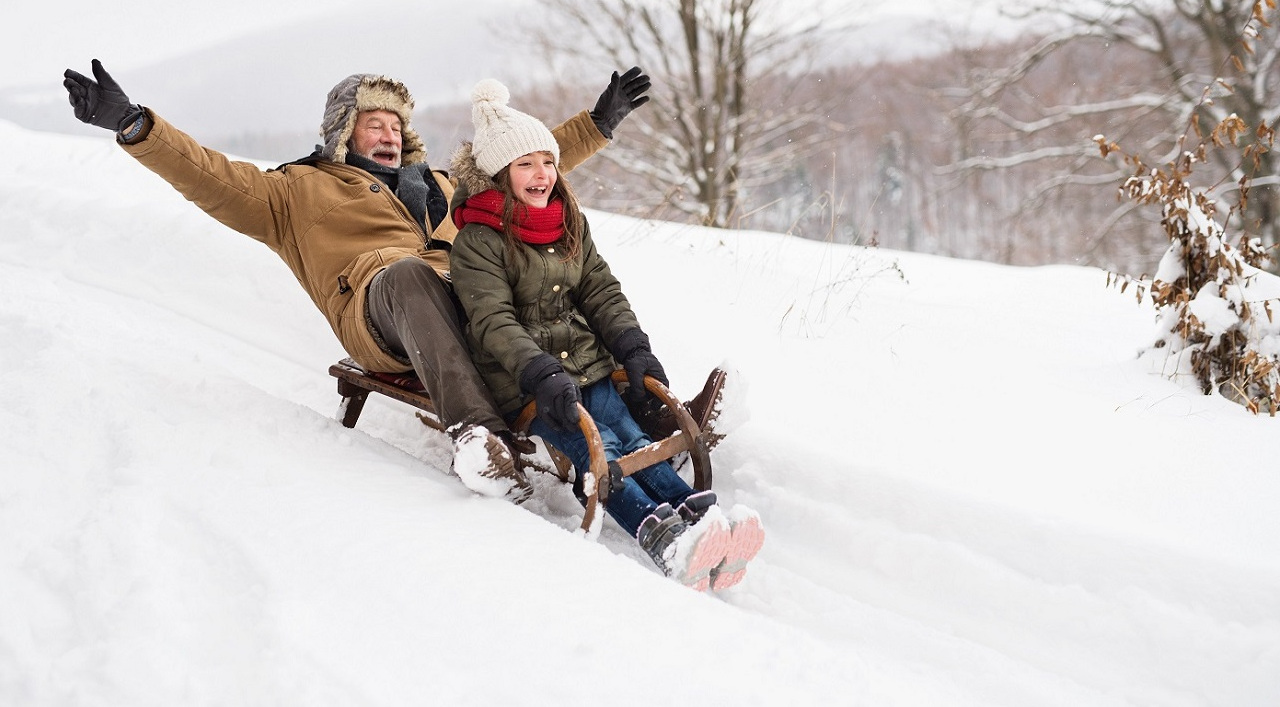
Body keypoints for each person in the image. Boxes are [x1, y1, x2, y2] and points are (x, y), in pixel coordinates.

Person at [62, 59, 651, 504]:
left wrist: (598, 124)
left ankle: (638, 399)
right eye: (374, 124)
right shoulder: (295, 191)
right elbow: (208, 175)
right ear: (344, 130)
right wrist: (136, 125)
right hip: (381, 310)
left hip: (466, 302)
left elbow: (522, 169)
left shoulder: (442, 184)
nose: (390, 134)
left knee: (535, 268)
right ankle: (479, 436)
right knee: (411, 274)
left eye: (396, 125)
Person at [447, 79, 764, 591]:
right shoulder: (478, 241)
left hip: (588, 367)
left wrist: (633, 347)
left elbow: (600, 289)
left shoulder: (566, 221)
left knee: (635, 438)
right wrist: (539, 372)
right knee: (603, 455)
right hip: (531, 384)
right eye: (525, 164)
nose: (542, 174)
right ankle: (659, 535)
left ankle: (699, 519)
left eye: (547, 161)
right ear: (499, 175)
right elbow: (493, 322)